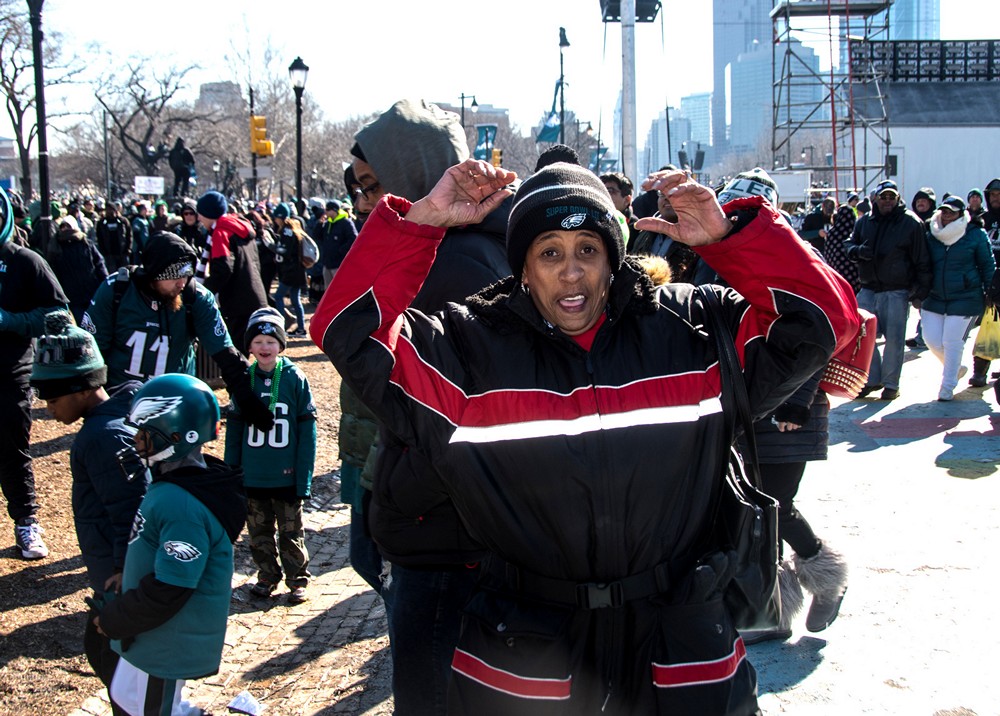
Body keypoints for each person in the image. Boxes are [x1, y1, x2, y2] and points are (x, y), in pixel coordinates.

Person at [310, 159, 859, 714]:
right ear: (523, 269)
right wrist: (421, 222)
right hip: (525, 652)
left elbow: (822, 319)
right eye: (549, 252)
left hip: (682, 644)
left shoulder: (694, 329)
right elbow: (347, 331)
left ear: (613, 260)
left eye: (588, 250)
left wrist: (729, 239)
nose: (571, 273)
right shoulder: (466, 351)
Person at [340, 98, 512, 716]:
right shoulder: (442, 249)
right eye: (360, 190)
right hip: (430, 512)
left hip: (443, 528)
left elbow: (449, 412)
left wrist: (400, 491)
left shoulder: (451, 263)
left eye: (372, 187)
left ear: (414, 175)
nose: (364, 204)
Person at [93, 373, 246, 716]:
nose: (136, 442)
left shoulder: (183, 505)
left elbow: (172, 586)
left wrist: (118, 617)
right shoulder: (175, 486)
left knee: (153, 710)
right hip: (152, 629)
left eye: (145, 433)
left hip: (165, 638)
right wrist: (127, 576)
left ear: (177, 436)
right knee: (125, 695)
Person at [29, 310, 148, 698]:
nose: (48, 409)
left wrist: (122, 568)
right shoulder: (113, 419)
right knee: (100, 653)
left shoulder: (100, 438)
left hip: (118, 577)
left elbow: (129, 507)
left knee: (119, 669)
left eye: (52, 398)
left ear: (82, 389)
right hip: (112, 571)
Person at [80, 231, 275, 432]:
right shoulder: (116, 290)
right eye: (175, 275)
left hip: (175, 403)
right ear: (155, 271)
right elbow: (92, 351)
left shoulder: (195, 298)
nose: (182, 283)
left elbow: (225, 354)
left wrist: (247, 397)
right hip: (120, 401)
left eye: (186, 274)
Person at [738, 370, 848, 645]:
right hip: (750, 414)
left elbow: (815, 352)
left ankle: (828, 579)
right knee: (757, 511)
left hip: (786, 418)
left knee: (776, 507)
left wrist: (796, 404)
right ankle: (773, 611)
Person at [224, 308, 316, 604]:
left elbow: (307, 433)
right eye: (258, 341)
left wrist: (303, 478)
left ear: (281, 345)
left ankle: (297, 577)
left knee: (291, 531)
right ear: (249, 347)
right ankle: (266, 575)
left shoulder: (294, 378)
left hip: (286, 475)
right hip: (253, 476)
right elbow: (234, 432)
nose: (264, 347)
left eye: (271, 341)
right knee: (258, 532)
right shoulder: (244, 382)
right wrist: (231, 472)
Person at [0, 187, 70, 560]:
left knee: (12, 448)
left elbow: (58, 314)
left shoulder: (25, 261)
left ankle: (26, 522)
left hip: (10, 370)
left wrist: (10, 320)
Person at [844, 179, 931, 400]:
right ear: (875, 199)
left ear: (898, 198)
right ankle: (872, 379)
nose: (888, 201)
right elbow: (848, 244)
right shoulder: (865, 222)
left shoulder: (911, 222)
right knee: (863, 337)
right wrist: (858, 251)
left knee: (894, 340)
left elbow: (922, 259)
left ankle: (891, 384)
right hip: (868, 288)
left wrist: (920, 291)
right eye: (884, 197)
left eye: (892, 197)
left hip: (896, 290)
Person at [920, 196, 996, 401]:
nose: (946, 215)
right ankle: (956, 368)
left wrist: (991, 292)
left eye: (952, 212)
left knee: (952, 341)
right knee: (932, 340)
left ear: (961, 214)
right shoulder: (930, 233)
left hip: (966, 297)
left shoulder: (976, 234)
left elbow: (987, 265)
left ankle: (947, 386)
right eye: (944, 211)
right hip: (934, 296)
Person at [195, 191, 268, 345]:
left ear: (209, 213)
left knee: (235, 351)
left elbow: (223, 269)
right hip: (254, 296)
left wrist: (203, 292)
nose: (199, 218)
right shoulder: (240, 227)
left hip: (237, 303)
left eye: (200, 213)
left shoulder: (221, 232)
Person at [48, 215, 108, 325]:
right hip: (74, 295)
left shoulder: (85, 244)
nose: (65, 229)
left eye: (68, 226)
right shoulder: (56, 247)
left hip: (88, 292)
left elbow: (99, 264)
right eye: (63, 226)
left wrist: (105, 283)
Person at [971, 177, 1000, 387]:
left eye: (999, 195)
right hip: (986, 281)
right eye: (993, 195)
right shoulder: (980, 221)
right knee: (986, 329)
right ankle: (979, 372)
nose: (996, 198)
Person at [270, 205, 310, 337]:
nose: (275, 220)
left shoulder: (287, 231)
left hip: (291, 271)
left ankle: (281, 326)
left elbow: (285, 251)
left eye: (276, 217)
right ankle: (301, 329)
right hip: (297, 271)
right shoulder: (292, 229)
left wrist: (271, 246)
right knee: (295, 300)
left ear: (280, 217)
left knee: (278, 296)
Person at [317, 199, 358, 289]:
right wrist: (319, 224)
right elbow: (317, 236)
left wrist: (340, 251)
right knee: (328, 290)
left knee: (340, 289)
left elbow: (354, 238)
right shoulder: (327, 223)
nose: (325, 212)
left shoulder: (346, 223)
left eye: (328, 209)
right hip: (327, 263)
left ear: (334, 210)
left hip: (339, 264)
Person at [600, 172, 638, 245]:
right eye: (601, 190)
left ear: (627, 200)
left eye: (610, 191)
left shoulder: (636, 228)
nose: (603, 195)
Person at [95, 200, 133, 272]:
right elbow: (99, 238)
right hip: (109, 254)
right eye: (107, 210)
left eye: (111, 209)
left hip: (123, 253)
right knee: (112, 273)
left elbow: (129, 235)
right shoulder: (101, 223)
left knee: (125, 273)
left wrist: (128, 249)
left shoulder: (123, 221)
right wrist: (103, 251)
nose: (109, 211)